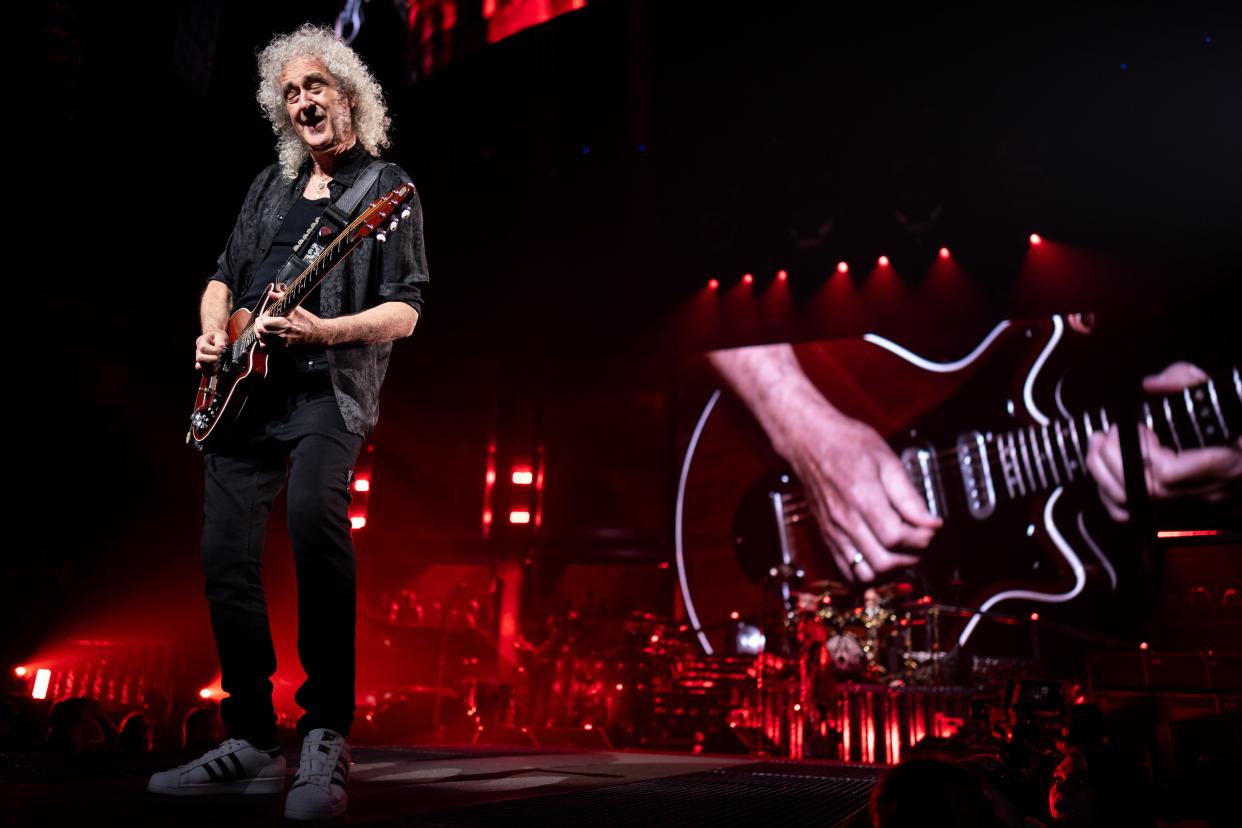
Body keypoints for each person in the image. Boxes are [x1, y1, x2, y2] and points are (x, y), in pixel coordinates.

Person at [147, 24, 428, 821]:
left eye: (316, 86)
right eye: (291, 92)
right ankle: (249, 738)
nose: (303, 101)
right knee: (222, 560)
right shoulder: (270, 186)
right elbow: (220, 277)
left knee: (314, 524)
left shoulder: (385, 190)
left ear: (349, 94)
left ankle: (326, 735)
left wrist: (322, 332)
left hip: (322, 396)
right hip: (239, 394)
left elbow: (407, 309)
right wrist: (211, 336)